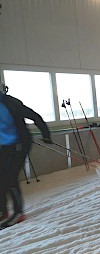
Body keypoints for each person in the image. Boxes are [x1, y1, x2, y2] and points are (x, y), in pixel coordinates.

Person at [0, 85, 52, 229]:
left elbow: (34, 116)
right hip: (5, 145)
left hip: (20, 143)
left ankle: (18, 213)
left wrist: (46, 134)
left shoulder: (11, 103)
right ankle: (2, 210)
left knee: (10, 178)